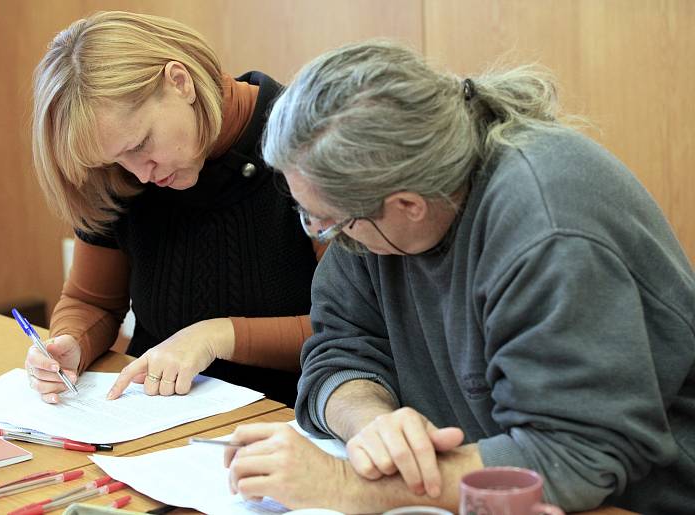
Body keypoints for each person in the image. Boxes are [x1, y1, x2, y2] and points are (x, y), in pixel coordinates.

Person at [224, 40, 695, 514]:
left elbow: (574, 455)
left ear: (408, 205)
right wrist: (372, 424)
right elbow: (339, 347)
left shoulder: (547, 225)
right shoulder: (374, 206)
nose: (325, 233)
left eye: (328, 220)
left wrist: (347, 485)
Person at [24, 11, 325, 407]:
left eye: (139, 144)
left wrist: (217, 336)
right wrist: (70, 342)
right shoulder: (124, 173)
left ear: (179, 82)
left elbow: (352, 327)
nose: (139, 174)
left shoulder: (310, 143)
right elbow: (92, 302)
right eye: (113, 161)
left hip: (285, 421)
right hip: (152, 415)